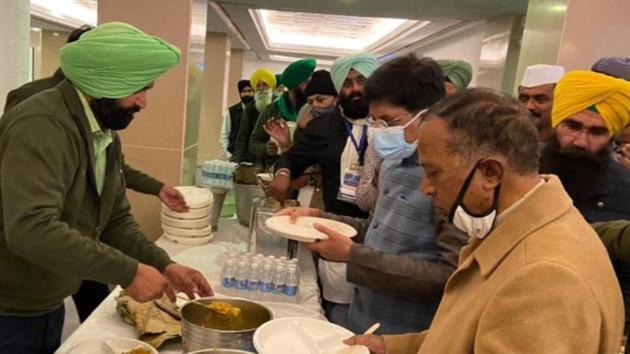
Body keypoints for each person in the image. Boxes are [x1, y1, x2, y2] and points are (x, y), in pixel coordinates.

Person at [346, 88, 624, 354]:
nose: (426, 188)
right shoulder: (515, 224)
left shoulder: (545, 278)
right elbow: (469, 334)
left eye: (434, 173)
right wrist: (392, 348)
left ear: (490, 173)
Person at [0, 22, 212, 354]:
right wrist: (127, 271)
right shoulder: (43, 125)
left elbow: (114, 218)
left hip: (46, 295)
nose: (143, 103)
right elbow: (30, 228)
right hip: (11, 306)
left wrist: (162, 263)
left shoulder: (101, 131)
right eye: (138, 89)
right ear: (105, 82)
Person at [277, 55, 469, 334]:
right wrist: (317, 217)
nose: (379, 132)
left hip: (409, 334)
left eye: (389, 121)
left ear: (429, 114)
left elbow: (451, 276)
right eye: (375, 121)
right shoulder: (391, 161)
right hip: (363, 316)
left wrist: (353, 256)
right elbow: (376, 228)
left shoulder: (452, 178)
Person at [270, 53, 377, 327]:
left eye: (361, 81)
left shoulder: (395, 128)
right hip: (339, 229)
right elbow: (292, 158)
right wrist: (282, 173)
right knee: (339, 319)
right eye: (348, 83)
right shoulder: (325, 127)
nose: (355, 89)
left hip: (385, 239)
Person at [540, 70, 630, 351]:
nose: (581, 141)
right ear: (557, 122)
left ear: (611, 134)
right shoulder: (521, 172)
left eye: (596, 131)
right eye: (573, 126)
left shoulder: (624, 189)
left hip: (585, 328)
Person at [249, 58, 316, 168]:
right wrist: (266, 148)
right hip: (275, 168)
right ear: (294, 86)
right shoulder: (272, 109)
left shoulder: (313, 110)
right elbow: (254, 142)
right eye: (307, 83)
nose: (311, 87)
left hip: (305, 170)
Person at [233, 68, 276, 164]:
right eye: (258, 86)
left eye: (264, 85)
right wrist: (236, 163)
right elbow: (242, 137)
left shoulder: (278, 105)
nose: (261, 88)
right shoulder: (250, 108)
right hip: (253, 158)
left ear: (270, 86)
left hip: (274, 159)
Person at [517, 64, 565, 142]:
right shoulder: (506, 142)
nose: (529, 106)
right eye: (524, 99)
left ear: (559, 103)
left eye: (540, 99)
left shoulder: (567, 146)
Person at [219, 79, 254, 160]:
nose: (246, 94)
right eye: (243, 92)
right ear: (240, 94)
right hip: (234, 156)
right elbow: (224, 135)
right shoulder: (231, 111)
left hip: (253, 158)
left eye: (249, 91)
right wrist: (229, 155)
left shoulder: (259, 111)